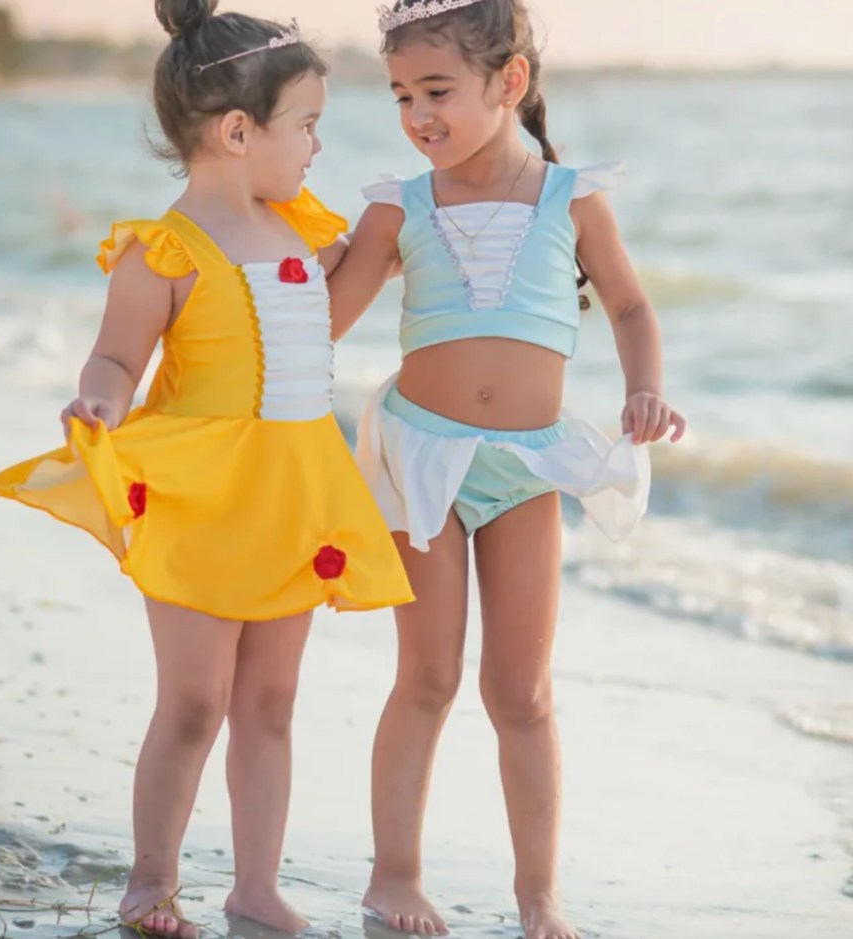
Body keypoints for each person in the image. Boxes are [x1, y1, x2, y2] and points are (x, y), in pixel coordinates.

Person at [0, 1, 413, 935]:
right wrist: (98, 397)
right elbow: (114, 358)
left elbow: (324, 319)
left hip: (295, 492)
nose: (315, 148)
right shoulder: (164, 252)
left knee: (270, 700)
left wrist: (399, 230)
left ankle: (255, 884)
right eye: (306, 127)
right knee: (193, 700)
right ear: (235, 131)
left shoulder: (300, 227)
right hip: (203, 492)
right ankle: (151, 881)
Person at [325, 2, 686, 936]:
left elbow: (633, 308)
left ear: (509, 82)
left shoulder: (572, 197)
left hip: (527, 466)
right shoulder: (395, 205)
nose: (417, 115)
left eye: (437, 91)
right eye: (403, 95)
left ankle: (539, 895)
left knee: (521, 692)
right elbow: (325, 319)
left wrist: (644, 390)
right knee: (428, 678)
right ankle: (395, 874)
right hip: (423, 460)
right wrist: (286, 258)